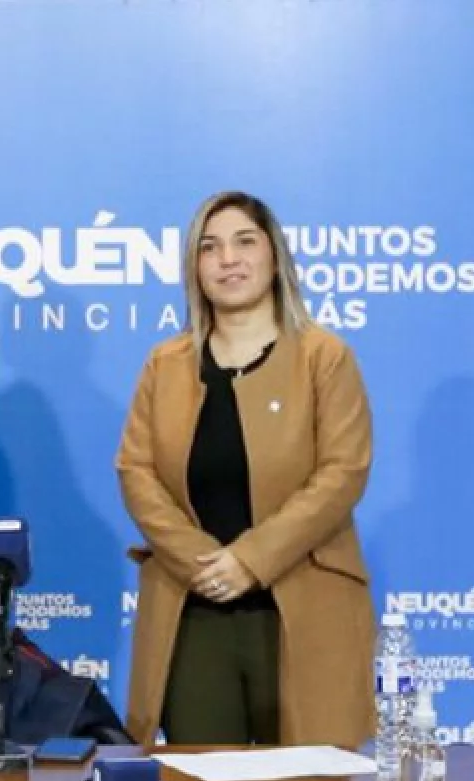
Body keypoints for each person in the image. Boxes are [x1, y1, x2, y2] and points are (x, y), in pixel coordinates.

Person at [116, 190, 375, 747]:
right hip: (195, 608)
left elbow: (342, 473)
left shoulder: (324, 357)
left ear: (274, 257)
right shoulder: (165, 365)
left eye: (244, 242)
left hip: (303, 604)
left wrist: (250, 561)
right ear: (194, 267)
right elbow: (136, 472)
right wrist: (203, 564)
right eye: (209, 247)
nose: (227, 259)